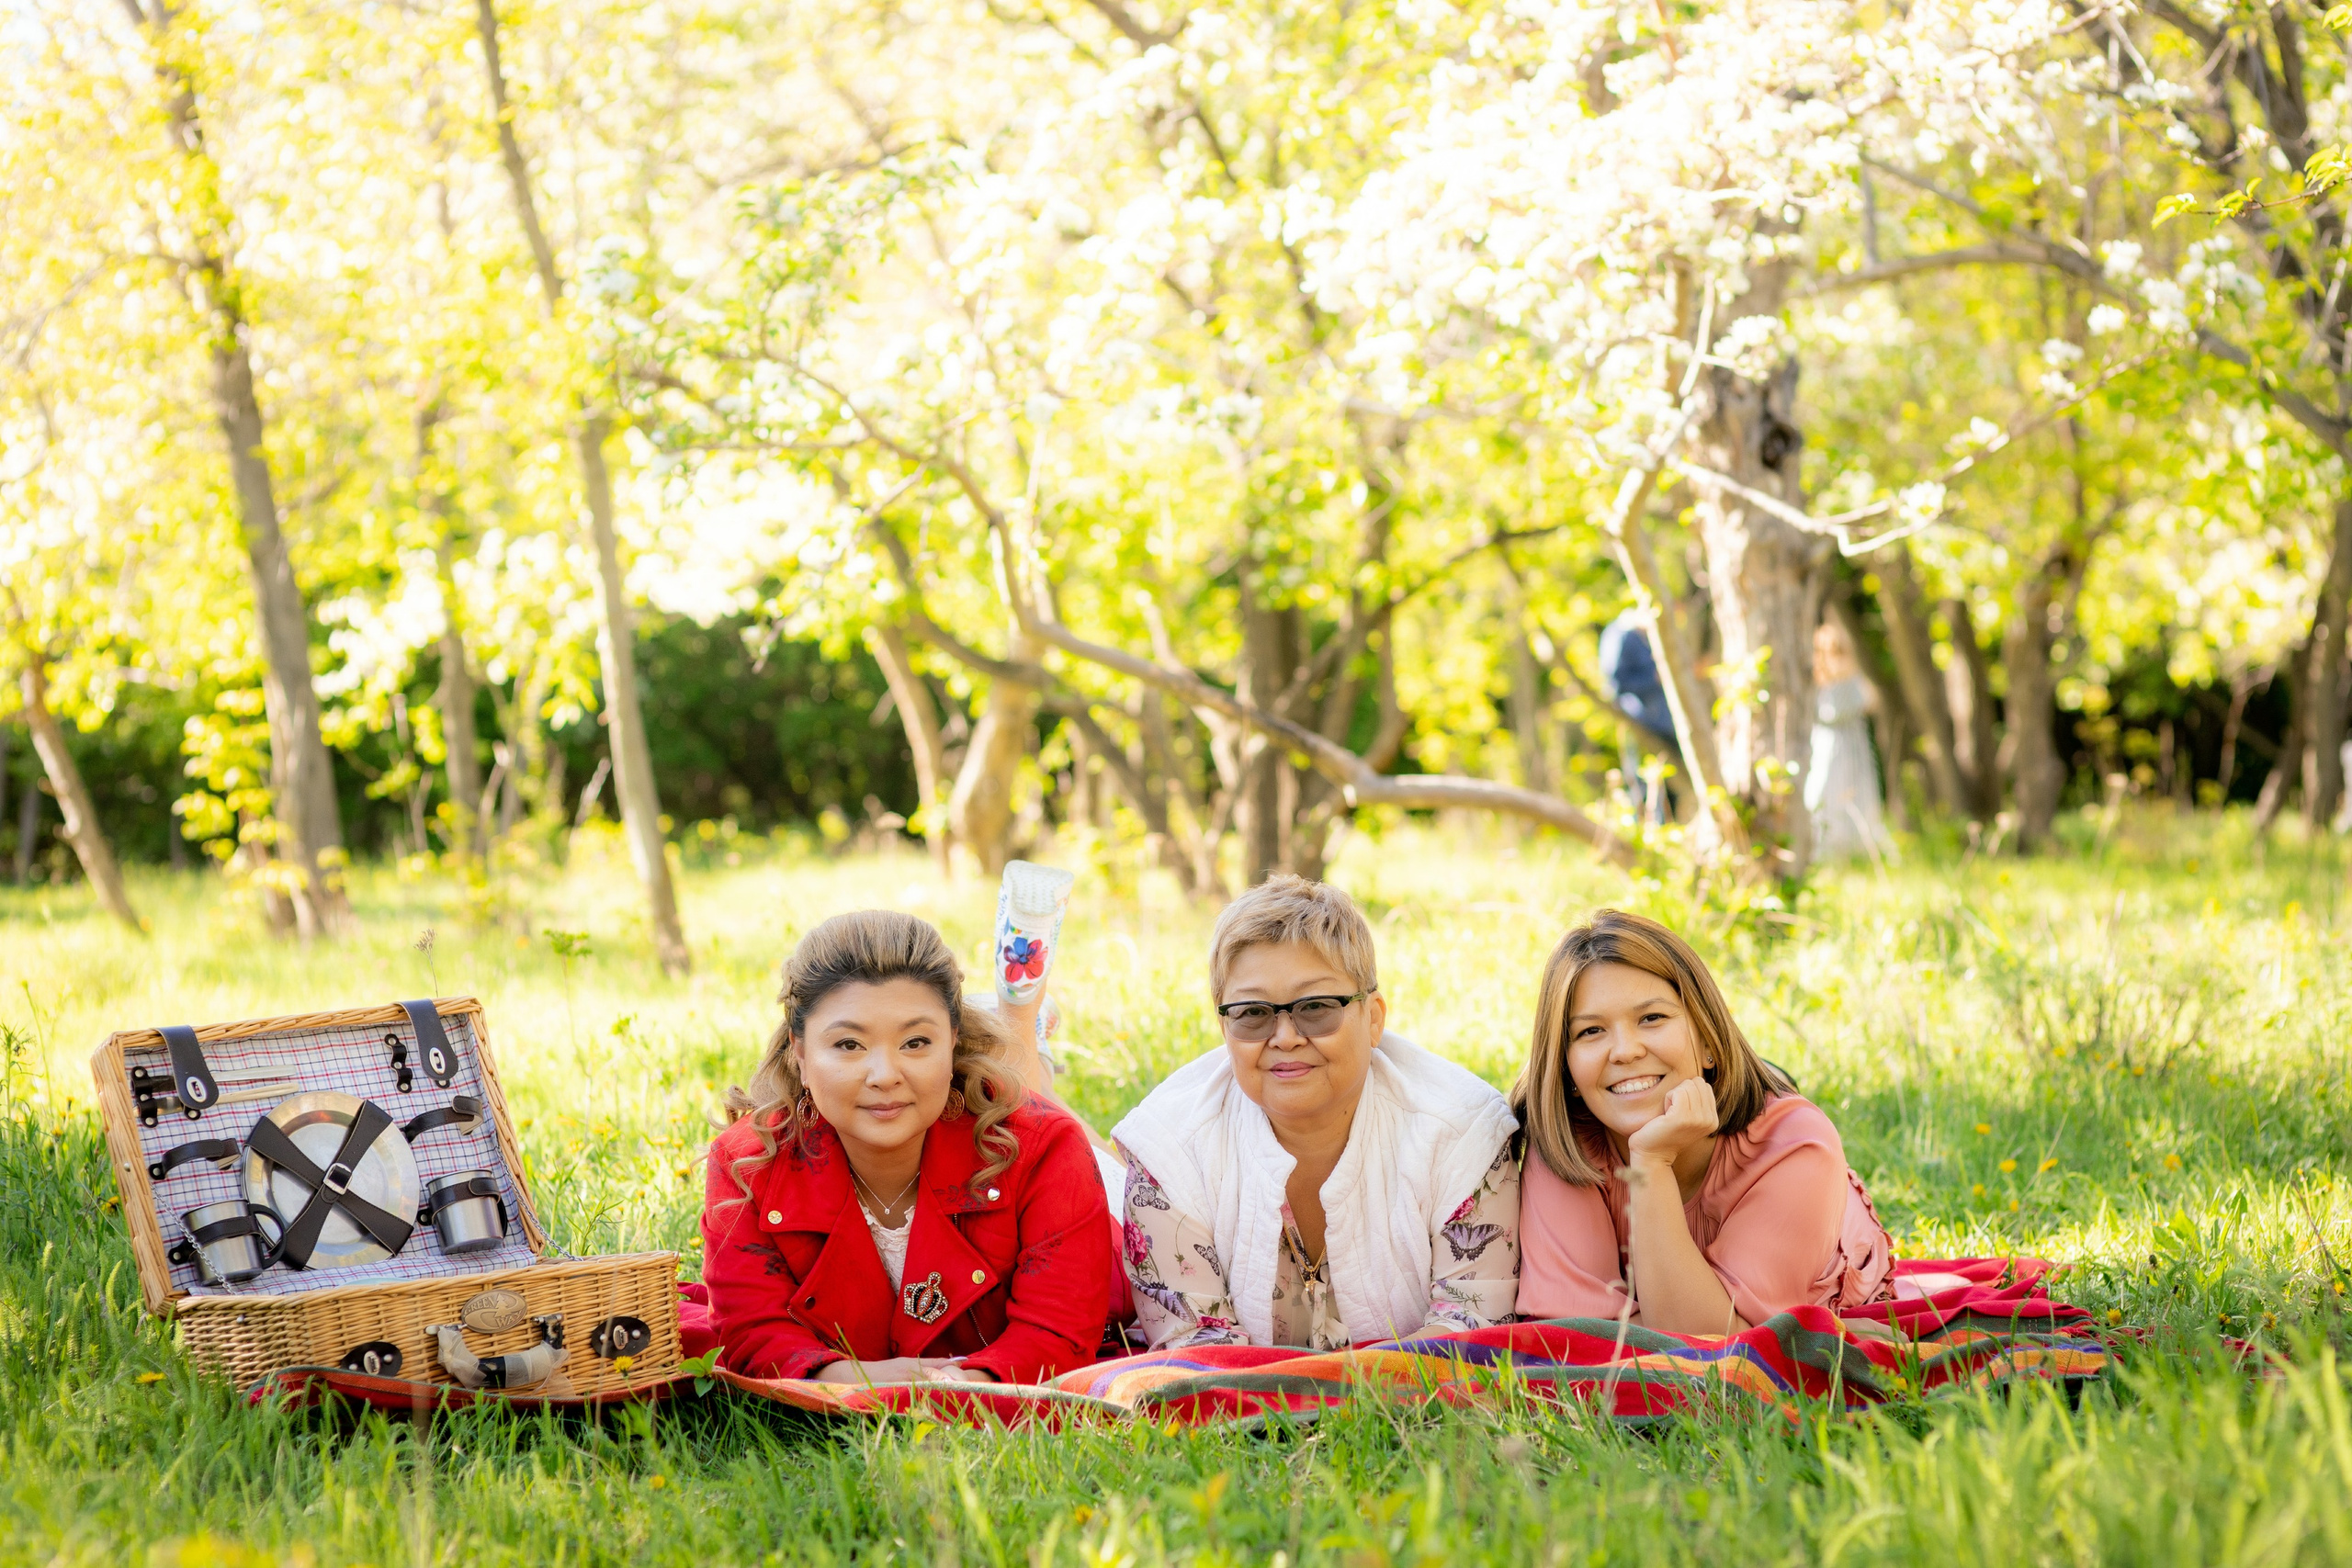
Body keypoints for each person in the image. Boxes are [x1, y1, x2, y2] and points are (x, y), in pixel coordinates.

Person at [701, 910, 1114, 1384]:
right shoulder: (746, 1162)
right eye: (849, 1045)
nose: (885, 1075)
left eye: (916, 1042)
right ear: (799, 1051)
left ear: (953, 1040)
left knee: (1106, 1160)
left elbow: (1060, 1332)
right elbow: (750, 1332)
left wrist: (951, 1389)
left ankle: (1027, 1038)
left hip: (1117, 1229)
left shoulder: (1043, 1148)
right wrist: (863, 1381)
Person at [1112, 875, 1521, 1350]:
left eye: (1316, 1007)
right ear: (1223, 1027)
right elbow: (1194, 1354)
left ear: (1374, 1019)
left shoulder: (1463, 1131)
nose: (1285, 1036)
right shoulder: (1170, 1148)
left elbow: (1474, 1331)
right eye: (1253, 1013)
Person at [1512, 909, 1893, 1334]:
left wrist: (1651, 1164)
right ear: (1566, 1069)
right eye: (1590, 1032)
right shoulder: (1566, 1143)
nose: (1624, 1051)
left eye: (1651, 1018)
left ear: (1709, 1039)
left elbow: (1709, 1349)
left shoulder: (1795, 1146)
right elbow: (1576, 1331)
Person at [1805, 620, 1888, 859]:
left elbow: (1871, 701)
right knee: (1823, 792)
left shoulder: (1852, 679)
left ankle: (1857, 848)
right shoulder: (1817, 682)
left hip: (1852, 748)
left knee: (1856, 793)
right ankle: (1825, 847)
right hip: (1825, 749)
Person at [1598, 609, 1682, 826]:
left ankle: (1666, 834)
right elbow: (1616, 683)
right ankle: (1645, 836)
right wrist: (1654, 678)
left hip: (1664, 725)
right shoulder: (1621, 635)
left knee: (1670, 786)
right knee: (1642, 787)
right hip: (1640, 723)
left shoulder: (1644, 636)